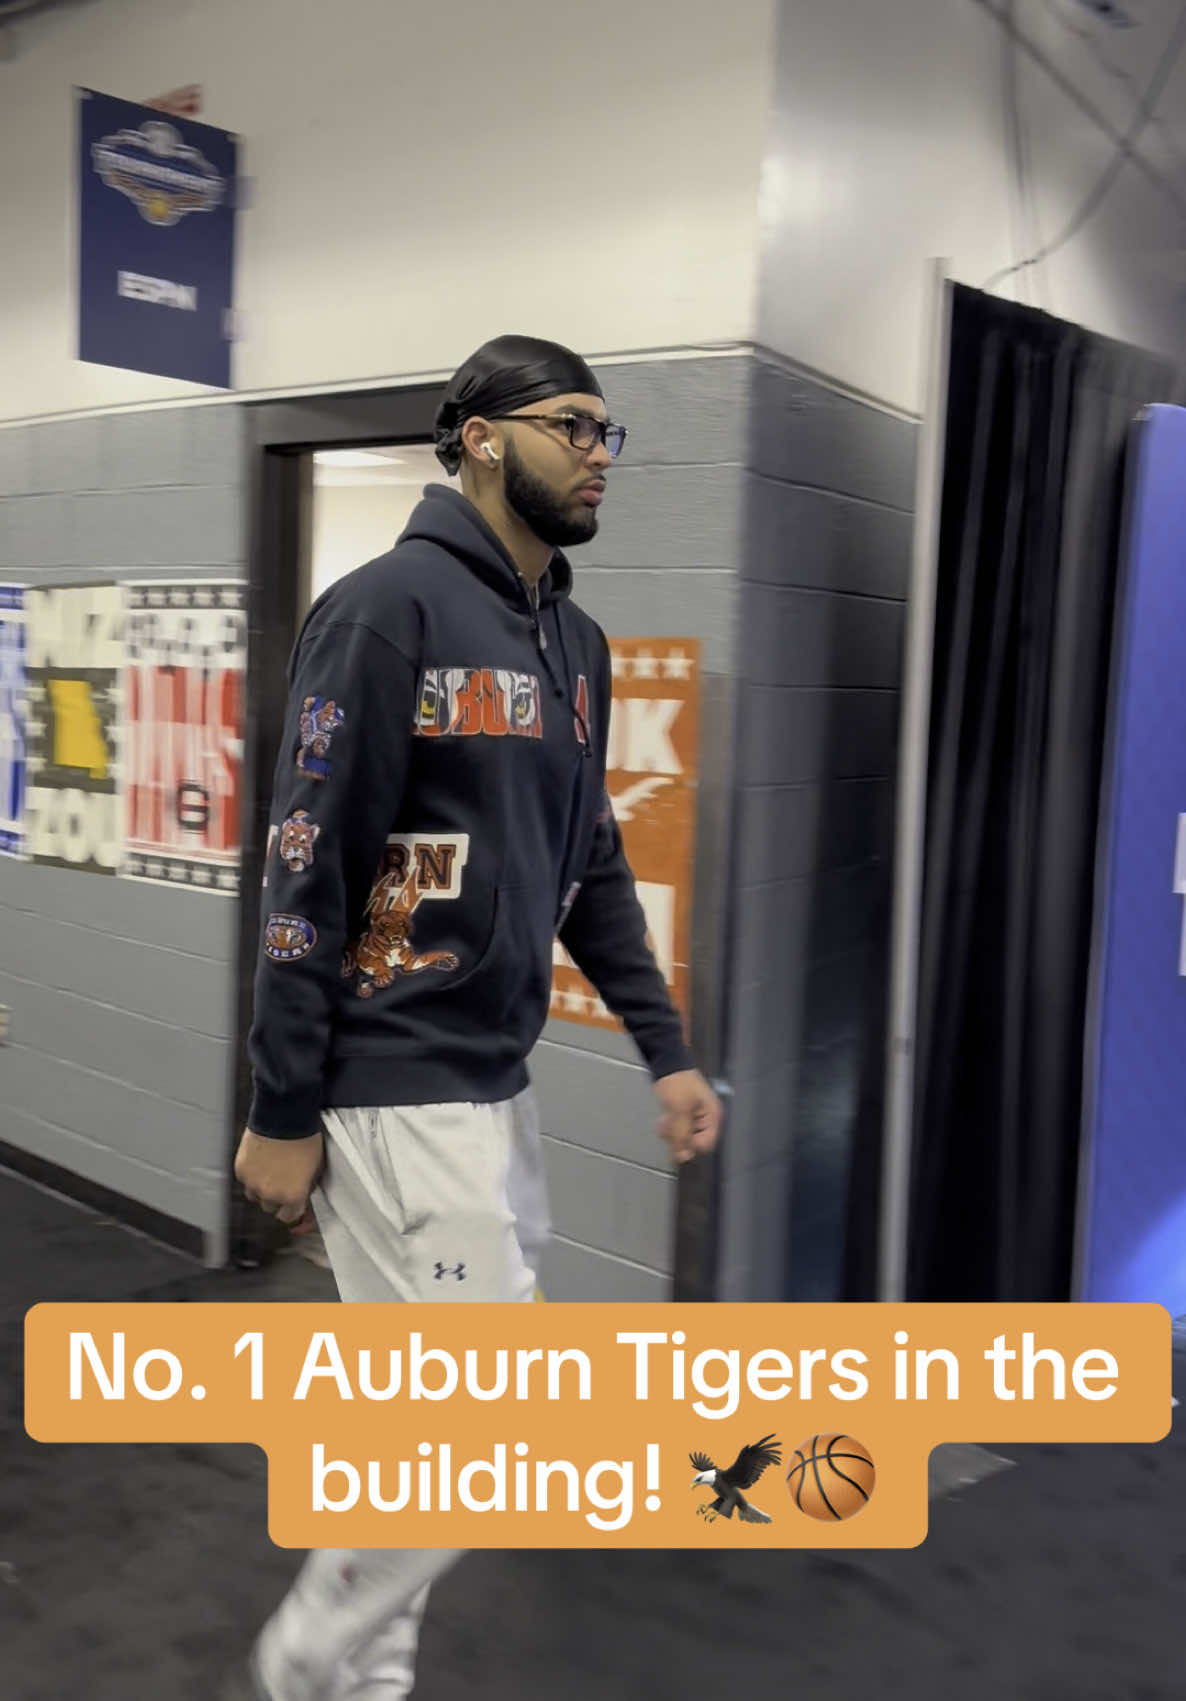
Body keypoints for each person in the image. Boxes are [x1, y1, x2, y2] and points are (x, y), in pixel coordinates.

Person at [224, 334, 722, 1701]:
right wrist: (279, 1106)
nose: (602, 453)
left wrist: (663, 1049)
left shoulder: (574, 642)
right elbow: (304, 867)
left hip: (490, 1090)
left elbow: (592, 864)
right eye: (576, 426)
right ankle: (298, 1663)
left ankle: (360, 1684)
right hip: (392, 1085)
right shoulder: (383, 611)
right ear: (482, 436)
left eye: (614, 433)